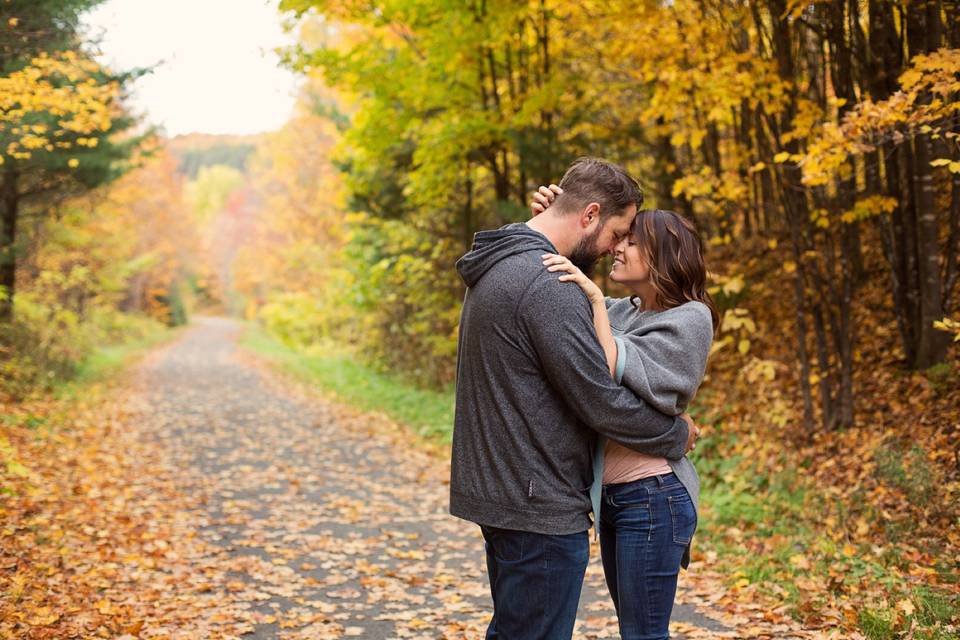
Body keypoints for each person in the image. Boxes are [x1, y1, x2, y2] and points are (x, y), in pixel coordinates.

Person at [449, 157, 700, 640]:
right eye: (616, 233)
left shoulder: (507, 262)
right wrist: (674, 433)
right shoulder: (546, 284)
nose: (613, 249)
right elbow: (600, 400)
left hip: (508, 489)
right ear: (588, 214)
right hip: (536, 498)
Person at [534, 184, 718, 640]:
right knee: (633, 629)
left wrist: (596, 300)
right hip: (614, 499)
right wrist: (551, 223)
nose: (618, 248)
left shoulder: (691, 317)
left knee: (643, 633)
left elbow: (610, 361)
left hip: (654, 497)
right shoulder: (627, 310)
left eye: (631, 243)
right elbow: (570, 301)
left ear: (662, 257)